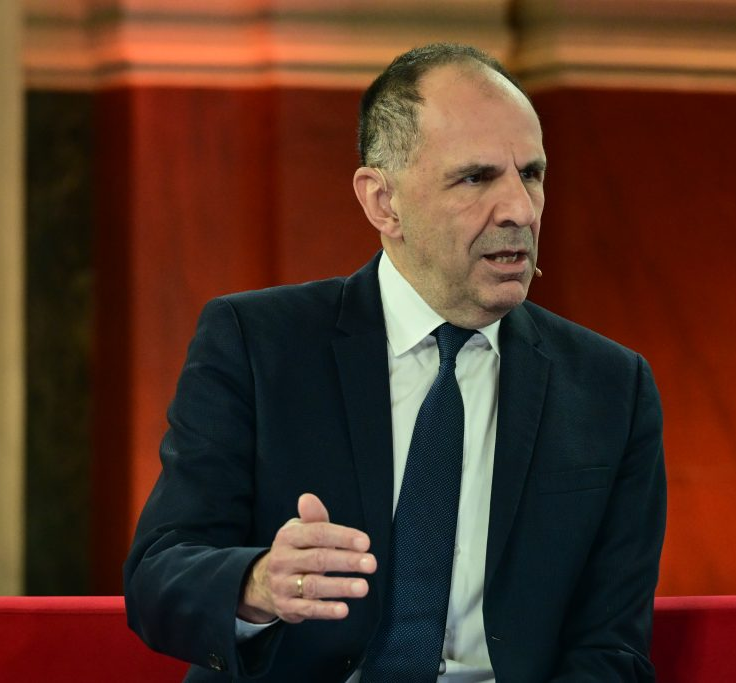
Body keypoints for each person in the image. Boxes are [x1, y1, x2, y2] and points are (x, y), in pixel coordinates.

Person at [124, 43, 666, 682]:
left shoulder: (611, 388)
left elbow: (612, 649)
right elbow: (159, 576)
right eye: (476, 178)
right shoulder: (258, 344)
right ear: (383, 201)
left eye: (532, 174)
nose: (520, 209)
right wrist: (258, 583)